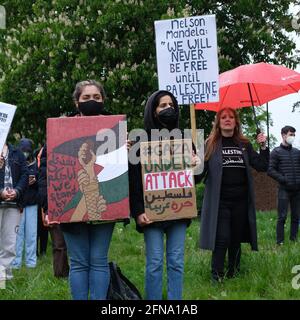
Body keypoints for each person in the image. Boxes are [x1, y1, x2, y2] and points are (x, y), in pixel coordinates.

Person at [42, 80, 116, 300]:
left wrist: (125, 151)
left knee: (99, 260)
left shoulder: (115, 130)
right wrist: (49, 207)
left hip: (105, 204)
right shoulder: (60, 130)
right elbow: (49, 170)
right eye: (86, 98)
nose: (92, 101)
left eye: (96, 97)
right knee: (79, 262)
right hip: (69, 206)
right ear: (77, 102)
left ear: (103, 100)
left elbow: (123, 174)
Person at [129, 90, 200, 300]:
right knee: (154, 263)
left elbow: (194, 179)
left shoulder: (185, 139)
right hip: (151, 214)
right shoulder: (140, 141)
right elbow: (134, 181)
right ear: (153, 110)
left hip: (179, 213)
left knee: (176, 262)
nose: (167, 108)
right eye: (162, 105)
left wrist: (197, 165)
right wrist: (138, 211)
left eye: (171, 104)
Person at [198, 108, 269, 283]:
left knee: (236, 238)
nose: (227, 120)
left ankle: (234, 273)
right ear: (218, 122)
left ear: (236, 122)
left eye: (231, 117)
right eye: (223, 117)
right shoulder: (211, 144)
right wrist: (194, 164)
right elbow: (199, 175)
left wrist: (263, 146)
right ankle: (216, 275)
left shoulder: (244, 144)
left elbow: (262, 166)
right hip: (220, 200)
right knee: (222, 237)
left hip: (241, 200)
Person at [38, 144, 69, 277]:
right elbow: (43, 179)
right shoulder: (50, 142)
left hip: (77, 199)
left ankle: (80, 274)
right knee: (59, 243)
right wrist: (46, 208)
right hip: (55, 200)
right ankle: (61, 275)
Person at [0, 142, 28, 280]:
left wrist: (17, 191)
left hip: (13, 205)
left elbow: (25, 175)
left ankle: (3, 282)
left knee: (9, 245)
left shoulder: (17, 153)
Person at [268, 125, 300, 245]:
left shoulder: (297, 152)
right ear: (283, 135)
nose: (292, 137)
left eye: (293, 135)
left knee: (296, 217)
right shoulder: (276, 152)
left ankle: (294, 240)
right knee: (282, 217)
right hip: (284, 190)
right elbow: (270, 170)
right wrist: (283, 179)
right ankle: (279, 242)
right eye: (290, 134)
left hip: (297, 190)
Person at [11, 138, 38, 269]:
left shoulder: (35, 163)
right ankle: (16, 263)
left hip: (32, 203)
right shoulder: (15, 162)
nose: (26, 153)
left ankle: (31, 262)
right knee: (18, 234)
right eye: (23, 151)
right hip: (19, 203)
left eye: (28, 151)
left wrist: (35, 180)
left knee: (32, 234)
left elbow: (41, 181)